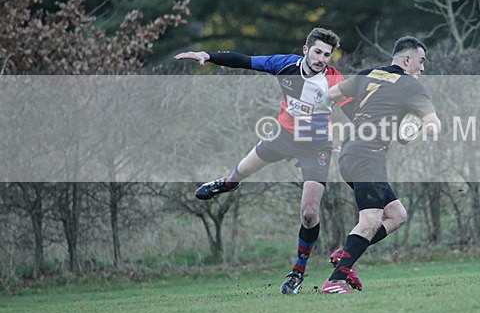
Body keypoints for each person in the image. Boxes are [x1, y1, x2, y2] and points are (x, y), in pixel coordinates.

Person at [174, 27, 353, 295]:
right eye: (317, 52)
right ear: (306, 50)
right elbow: (244, 60)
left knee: (309, 214)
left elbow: (355, 111)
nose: (321, 59)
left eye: (327, 54)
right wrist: (208, 56)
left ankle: (298, 272)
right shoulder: (284, 65)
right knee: (239, 174)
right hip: (283, 137)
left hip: (316, 147)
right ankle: (226, 183)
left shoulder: (333, 80)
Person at [322, 36, 441, 294]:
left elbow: (330, 95)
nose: (423, 68)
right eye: (421, 61)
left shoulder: (368, 74)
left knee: (397, 215)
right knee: (370, 220)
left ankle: (346, 256)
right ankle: (335, 280)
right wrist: (410, 135)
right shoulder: (411, 85)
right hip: (368, 155)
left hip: (349, 153)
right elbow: (434, 127)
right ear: (407, 60)